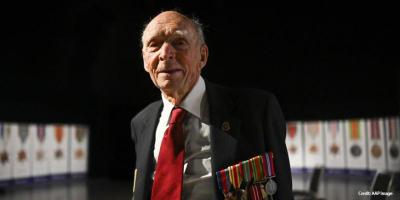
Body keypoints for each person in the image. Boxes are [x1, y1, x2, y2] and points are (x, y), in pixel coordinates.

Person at [130, 10, 293, 200]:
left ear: (202, 56)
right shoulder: (141, 122)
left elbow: (281, 192)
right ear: (144, 60)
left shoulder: (256, 110)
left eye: (179, 43)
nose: (165, 54)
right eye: (154, 45)